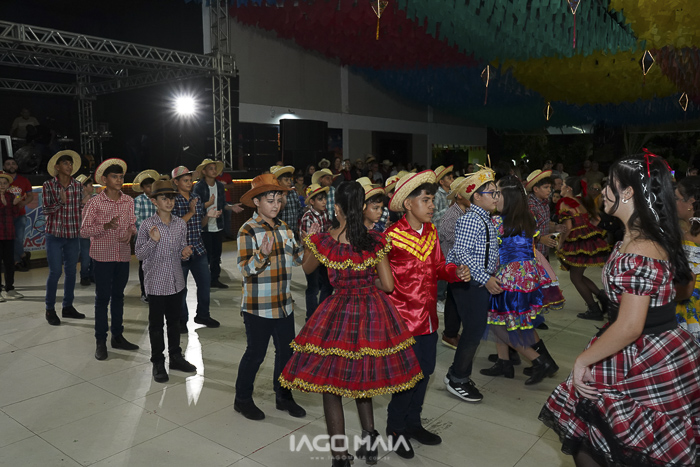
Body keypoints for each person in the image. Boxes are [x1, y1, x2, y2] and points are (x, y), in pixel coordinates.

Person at [540, 154, 700, 467]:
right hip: (655, 346)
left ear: (627, 191)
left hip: (642, 356)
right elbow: (679, 288)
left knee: (608, 447)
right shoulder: (647, 235)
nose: (602, 192)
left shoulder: (639, 245)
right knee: (600, 445)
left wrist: (583, 360)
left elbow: (630, 326)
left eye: (609, 185)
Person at [281, 181, 423, 467]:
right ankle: (370, 441)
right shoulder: (374, 240)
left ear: (337, 208)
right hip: (372, 312)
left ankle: (340, 456)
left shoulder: (325, 240)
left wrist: (309, 240)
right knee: (364, 378)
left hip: (338, 313)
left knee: (332, 386)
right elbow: (388, 285)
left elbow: (306, 268)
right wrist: (367, 282)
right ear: (361, 206)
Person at [384, 170, 470, 459]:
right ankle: (395, 429)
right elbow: (380, 280)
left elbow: (438, 267)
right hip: (402, 323)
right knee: (405, 379)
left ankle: (413, 423)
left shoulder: (431, 232)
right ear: (408, 204)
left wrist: (455, 272)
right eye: (426, 200)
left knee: (425, 373)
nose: (433, 205)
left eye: (433, 200)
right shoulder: (390, 238)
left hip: (429, 321)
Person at [234, 174, 306, 421]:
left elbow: (297, 259)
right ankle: (242, 399)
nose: (276, 205)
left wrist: (309, 242)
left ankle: (283, 396)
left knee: (286, 353)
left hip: (283, 304)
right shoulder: (248, 230)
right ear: (256, 202)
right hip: (258, 306)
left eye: (278, 200)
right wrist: (262, 256)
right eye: (270, 200)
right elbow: (245, 269)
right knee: (256, 354)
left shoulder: (284, 228)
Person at [480, 175, 563, 385]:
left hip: (509, 278)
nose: (494, 198)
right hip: (528, 276)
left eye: (498, 194)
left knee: (500, 324)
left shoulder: (497, 222)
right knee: (509, 320)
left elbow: (493, 254)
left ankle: (539, 361)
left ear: (508, 197)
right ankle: (504, 361)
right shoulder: (527, 219)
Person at [444, 167, 501, 403]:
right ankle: (457, 378)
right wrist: (485, 278)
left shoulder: (485, 218)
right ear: (476, 196)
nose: (496, 197)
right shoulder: (470, 219)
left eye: (497, 193)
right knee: (473, 330)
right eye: (491, 193)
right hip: (468, 280)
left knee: (474, 329)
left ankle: (458, 374)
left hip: (477, 279)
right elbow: (461, 253)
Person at [136, 179, 197, 383]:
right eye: (164, 198)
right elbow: (139, 254)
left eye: (171, 198)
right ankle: (158, 361)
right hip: (155, 283)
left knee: (174, 322)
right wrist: (153, 241)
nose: (169, 202)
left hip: (176, 282)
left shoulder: (180, 224)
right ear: (155, 201)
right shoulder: (148, 225)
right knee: (156, 325)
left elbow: (180, 249)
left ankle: (176, 357)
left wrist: (184, 252)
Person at [80, 158, 139, 361]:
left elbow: (133, 224)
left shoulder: (128, 201)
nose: (119, 180)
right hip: (102, 257)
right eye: (115, 177)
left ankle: (117, 336)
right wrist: (105, 226)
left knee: (119, 296)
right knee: (102, 298)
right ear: (104, 180)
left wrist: (130, 232)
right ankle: (100, 341)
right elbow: (84, 231)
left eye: (121, 176)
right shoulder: (95, 202)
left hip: (122, 255)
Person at [171, 166, 219, 333]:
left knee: (205, 285)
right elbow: (174, 227)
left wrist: (208, 216)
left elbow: (200, 224)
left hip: (198, 249)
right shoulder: (172, 201)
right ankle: (181, 320)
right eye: (185, 180)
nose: (189, 183)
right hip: (180, 252)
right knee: (181, 289)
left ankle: (203, 315)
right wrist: (191, 212)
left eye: (190, 180)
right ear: (176, 182)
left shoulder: (196, 198)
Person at [556, 177, 611, 320]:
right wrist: (587, 230)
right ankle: (602, 298)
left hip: (577, 243)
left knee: (575, 277)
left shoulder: (564, 203)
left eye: (563, 185)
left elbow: (568, 227)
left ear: (569, 188)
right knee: (578, 276)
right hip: (588, 241)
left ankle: (594, 308)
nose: (560, 187)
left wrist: (560, 244)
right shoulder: (581, 201)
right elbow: (597, 219)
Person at [42, 150, 85, 326]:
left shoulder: (78, 185)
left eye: (71, 163)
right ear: (57, 167)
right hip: (54, 234)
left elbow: (80, 209)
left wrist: (85, 207)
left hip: (73, 235)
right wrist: (60, 202)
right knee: (55, 272)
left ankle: (67, 306)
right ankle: (49, 309)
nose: (69, 166)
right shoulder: (48, 185)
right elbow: (46, 210)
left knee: (71, 272)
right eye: (65, 163)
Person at [194, 158, 243, 289]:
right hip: (204, 226)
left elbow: (222, 204)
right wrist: (208, 204)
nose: (214, 171)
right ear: (204, 171)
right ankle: (204, 280)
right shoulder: (199, 187)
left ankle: (215, 279)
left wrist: (231, 207)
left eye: (215, 168)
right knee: (205, 256)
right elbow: (195, 206)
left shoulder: (220, 186)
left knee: (216, 255)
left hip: (217, 225)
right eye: (211, 168)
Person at [438, 176, 470, 350]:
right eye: (469, 192)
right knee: (454, 300)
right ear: (459, 196)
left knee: (455, 299)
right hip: (453, 265)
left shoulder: (465, 211)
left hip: (459, 265)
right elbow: (457, 242)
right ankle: (449, 334)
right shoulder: (452, 215)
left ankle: (451, 332)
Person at [300, 183, 333, 320]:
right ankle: (311, 317)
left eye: (324, 198)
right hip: (312, 256)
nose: (324, 201)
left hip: (324, 254)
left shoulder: (325, 213)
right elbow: (307, 242)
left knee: (328, 284)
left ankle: (322, 313)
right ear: (312, 202)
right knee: (313, 288)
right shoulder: (308, 217)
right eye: (320, 199)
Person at [674, 176, 700, 341]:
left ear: (691, 202)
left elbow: (687, 287)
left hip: (690, 308)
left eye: (676, 198)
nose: (673, 203)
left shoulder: (690, 237)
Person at [132, 169, 160, 301]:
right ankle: (145, 292)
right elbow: (135, 219)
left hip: (158, 238)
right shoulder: (138, 200)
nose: (150, 189)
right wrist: (147, 233)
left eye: (152, 186)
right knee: (144, 266)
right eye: (148, 186)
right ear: (142, 188)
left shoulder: (158, 199)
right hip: (143, 239)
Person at [3, 158, 33, 272]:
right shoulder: (2, 180)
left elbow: (30, 196)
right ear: (4, 166)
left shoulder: (24, 180)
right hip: (5, 217)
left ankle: (20, 259)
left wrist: (23, 203)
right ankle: (20, 258)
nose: (11, 166)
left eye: (13, 164)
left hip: (20, 215)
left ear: (17, 166)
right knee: (10, 240)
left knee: (18, 239)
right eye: (8, 164)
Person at [0, 171, 23, 301]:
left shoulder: (10, 196)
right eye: (0, 183)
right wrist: (2, 202)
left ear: (8, 185)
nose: (2, 185)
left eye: (5, 183)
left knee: (9, 263)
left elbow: (14, 214)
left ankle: (10, 288)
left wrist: (15, 204)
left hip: (8, 234)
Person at [271, 165, 302, 240]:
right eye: (286, 180)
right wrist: (282, 202)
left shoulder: (293, 193)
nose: (289, 182)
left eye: (290, 180)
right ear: (278, 182)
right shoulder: (275, 195)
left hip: (293, 231)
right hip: (280, 232)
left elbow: (299, 210)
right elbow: (274, 215)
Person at [76, 174, 95, 286]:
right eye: (90, 185)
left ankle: (93, 275)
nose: (92, 187)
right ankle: (84, 276)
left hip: (95, 232)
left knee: (94, 256)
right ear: (84, 187)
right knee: (86, 256)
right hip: (83, 233)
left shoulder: (95, 198)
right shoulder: (76, 200)